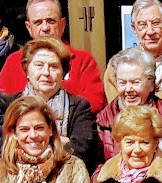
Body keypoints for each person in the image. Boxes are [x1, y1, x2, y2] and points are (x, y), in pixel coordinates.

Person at [0, 0, 106, 109]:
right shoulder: (14, 60)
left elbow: (95, 102)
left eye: (51, 21)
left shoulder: (83, 60)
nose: (45, 28)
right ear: (29, 28)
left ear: (62, 25)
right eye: (38, 22)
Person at [13, 37, 102, 172]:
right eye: (39, 65)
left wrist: (43, 149)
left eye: (53, 67)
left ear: (63, 73)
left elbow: (82, 148)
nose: (46, 73)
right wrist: (59, 142)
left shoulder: (78, 106)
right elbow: (6, 147)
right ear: (27, 70)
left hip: (65, 177)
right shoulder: (11, 105)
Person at [96, 46, 162, 159]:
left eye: (135, 82)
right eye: (122, 83)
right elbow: (98, 165)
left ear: (151, 85)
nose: (128, 89)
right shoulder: (104, 121)